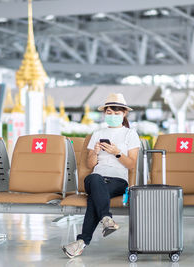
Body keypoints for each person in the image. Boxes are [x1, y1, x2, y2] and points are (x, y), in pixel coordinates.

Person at [62, 93, 140, 258]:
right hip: (95, 177)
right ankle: (106, 219)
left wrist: (117, 153)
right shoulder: (97, 134)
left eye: (117, 113)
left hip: (118, 181)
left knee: (94, 197)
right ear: (105, 113)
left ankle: (82, 241)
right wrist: (95, 153)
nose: (112, 116)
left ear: (124, 114)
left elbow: (132, 164)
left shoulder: (130, 134)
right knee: (96, 179)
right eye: (109, 113)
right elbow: (91, 165)